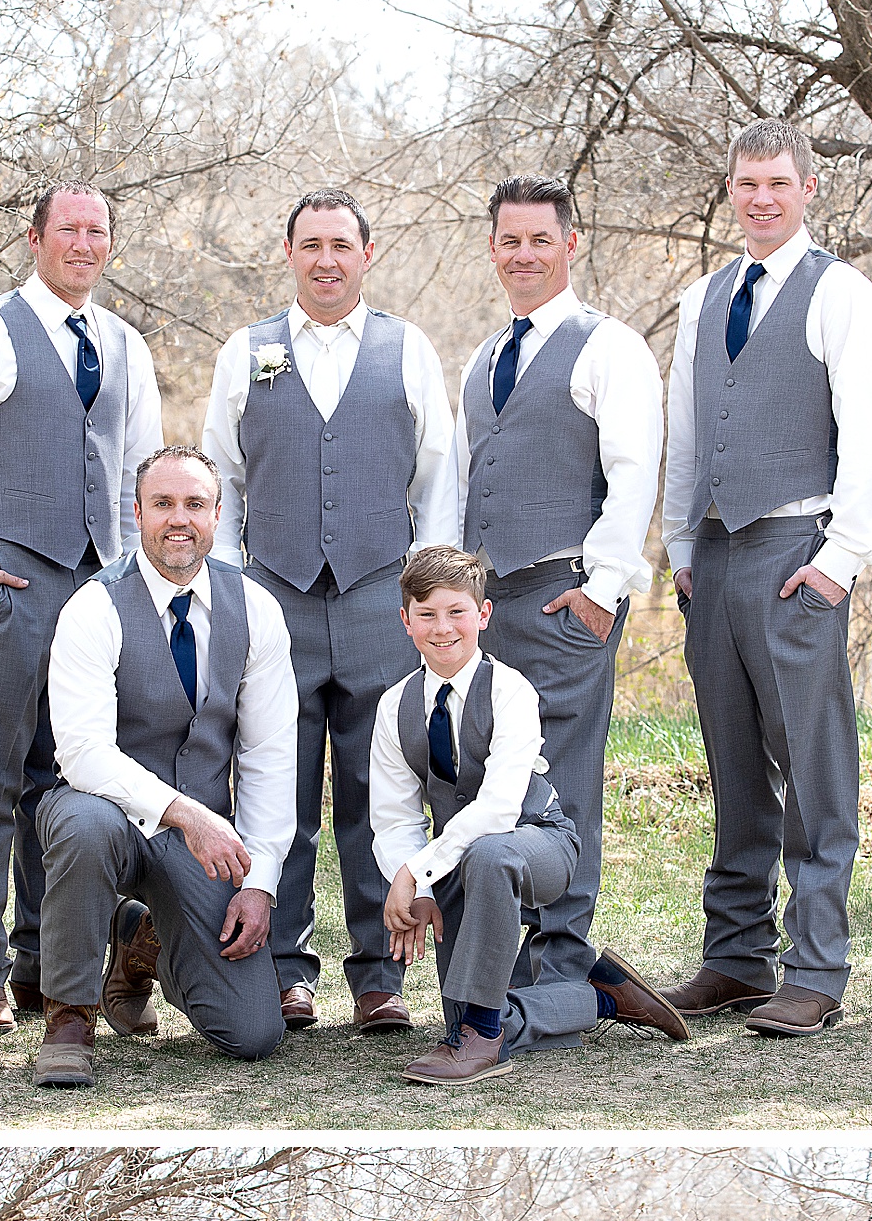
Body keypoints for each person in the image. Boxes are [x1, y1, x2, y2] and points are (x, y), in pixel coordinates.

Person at [202, 186, 455, 1032]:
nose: (326, 259)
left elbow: (438, 481)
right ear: (289, 254)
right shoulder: (248, 350)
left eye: (341, 245)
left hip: (380, 601)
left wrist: (425, 594)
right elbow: (220, 480)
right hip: (274, 601)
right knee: (278, 786)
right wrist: (233, 589)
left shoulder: (407, 348)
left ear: (366, 254)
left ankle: (379, 973)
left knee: (377, 789)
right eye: (310, 244)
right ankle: (288, 969)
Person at [0, 182, 164, 1030]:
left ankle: (43, 962)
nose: (83, 245)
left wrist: (138, 584)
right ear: (34, 239)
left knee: (74, 785)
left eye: (98, 232)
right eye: (68, 230)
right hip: (12, 584)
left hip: (100, 593)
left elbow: (142, 475)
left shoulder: (128, 345)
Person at [659, 119, 872, 1037]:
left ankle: (818, 969)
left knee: (814, 765)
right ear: (731, 191)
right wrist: (679, 547)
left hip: (798, 549)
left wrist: (841, 559)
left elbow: (865, 434)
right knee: (734, 763)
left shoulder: (842, 293)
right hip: (712, 557)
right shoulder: (703, 297)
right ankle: (736, 958)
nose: (762, 199)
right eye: (747, 183)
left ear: (808, 190)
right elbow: (685, 432)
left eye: (778, 185)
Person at [442, 177, 670, 1045]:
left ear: (570, 245)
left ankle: (566, 971)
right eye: (510, 240)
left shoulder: (608, 347)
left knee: (562, 787)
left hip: (564, 595)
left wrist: (604, 589)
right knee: (490, 780)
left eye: (541, 239)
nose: (524, 255)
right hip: (488, 608)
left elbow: (633, 470)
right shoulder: (481, 359)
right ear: (493, 248)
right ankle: (514, 974)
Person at [32, 445, 295, 1088]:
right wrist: (188, 816)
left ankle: (140, 945)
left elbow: (268, 755)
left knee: (253, 1032)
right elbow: (84, 751)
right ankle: (69, 1016)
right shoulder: (93, 607)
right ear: (138, 512)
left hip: (201, 836)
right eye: (164, 504)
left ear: (217, 513)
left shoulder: (255, 608)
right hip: (102, 810)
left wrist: (259, 880)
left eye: (195, 505)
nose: (179, 519)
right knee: (84, 828)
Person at [373, 547, 683, 1084]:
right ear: (405, 621)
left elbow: (497, 810)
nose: (443, 628)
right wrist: (419, 887)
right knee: (469, 1010)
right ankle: (596, 997)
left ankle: (482, 1035)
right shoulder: (395, 705)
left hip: (538, 841)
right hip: (458, 858)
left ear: (484, 615)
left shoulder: (511, 690)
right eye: (426, 614)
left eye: (457, 612)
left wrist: (417, 871)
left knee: (492, 855)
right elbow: (394, 816)